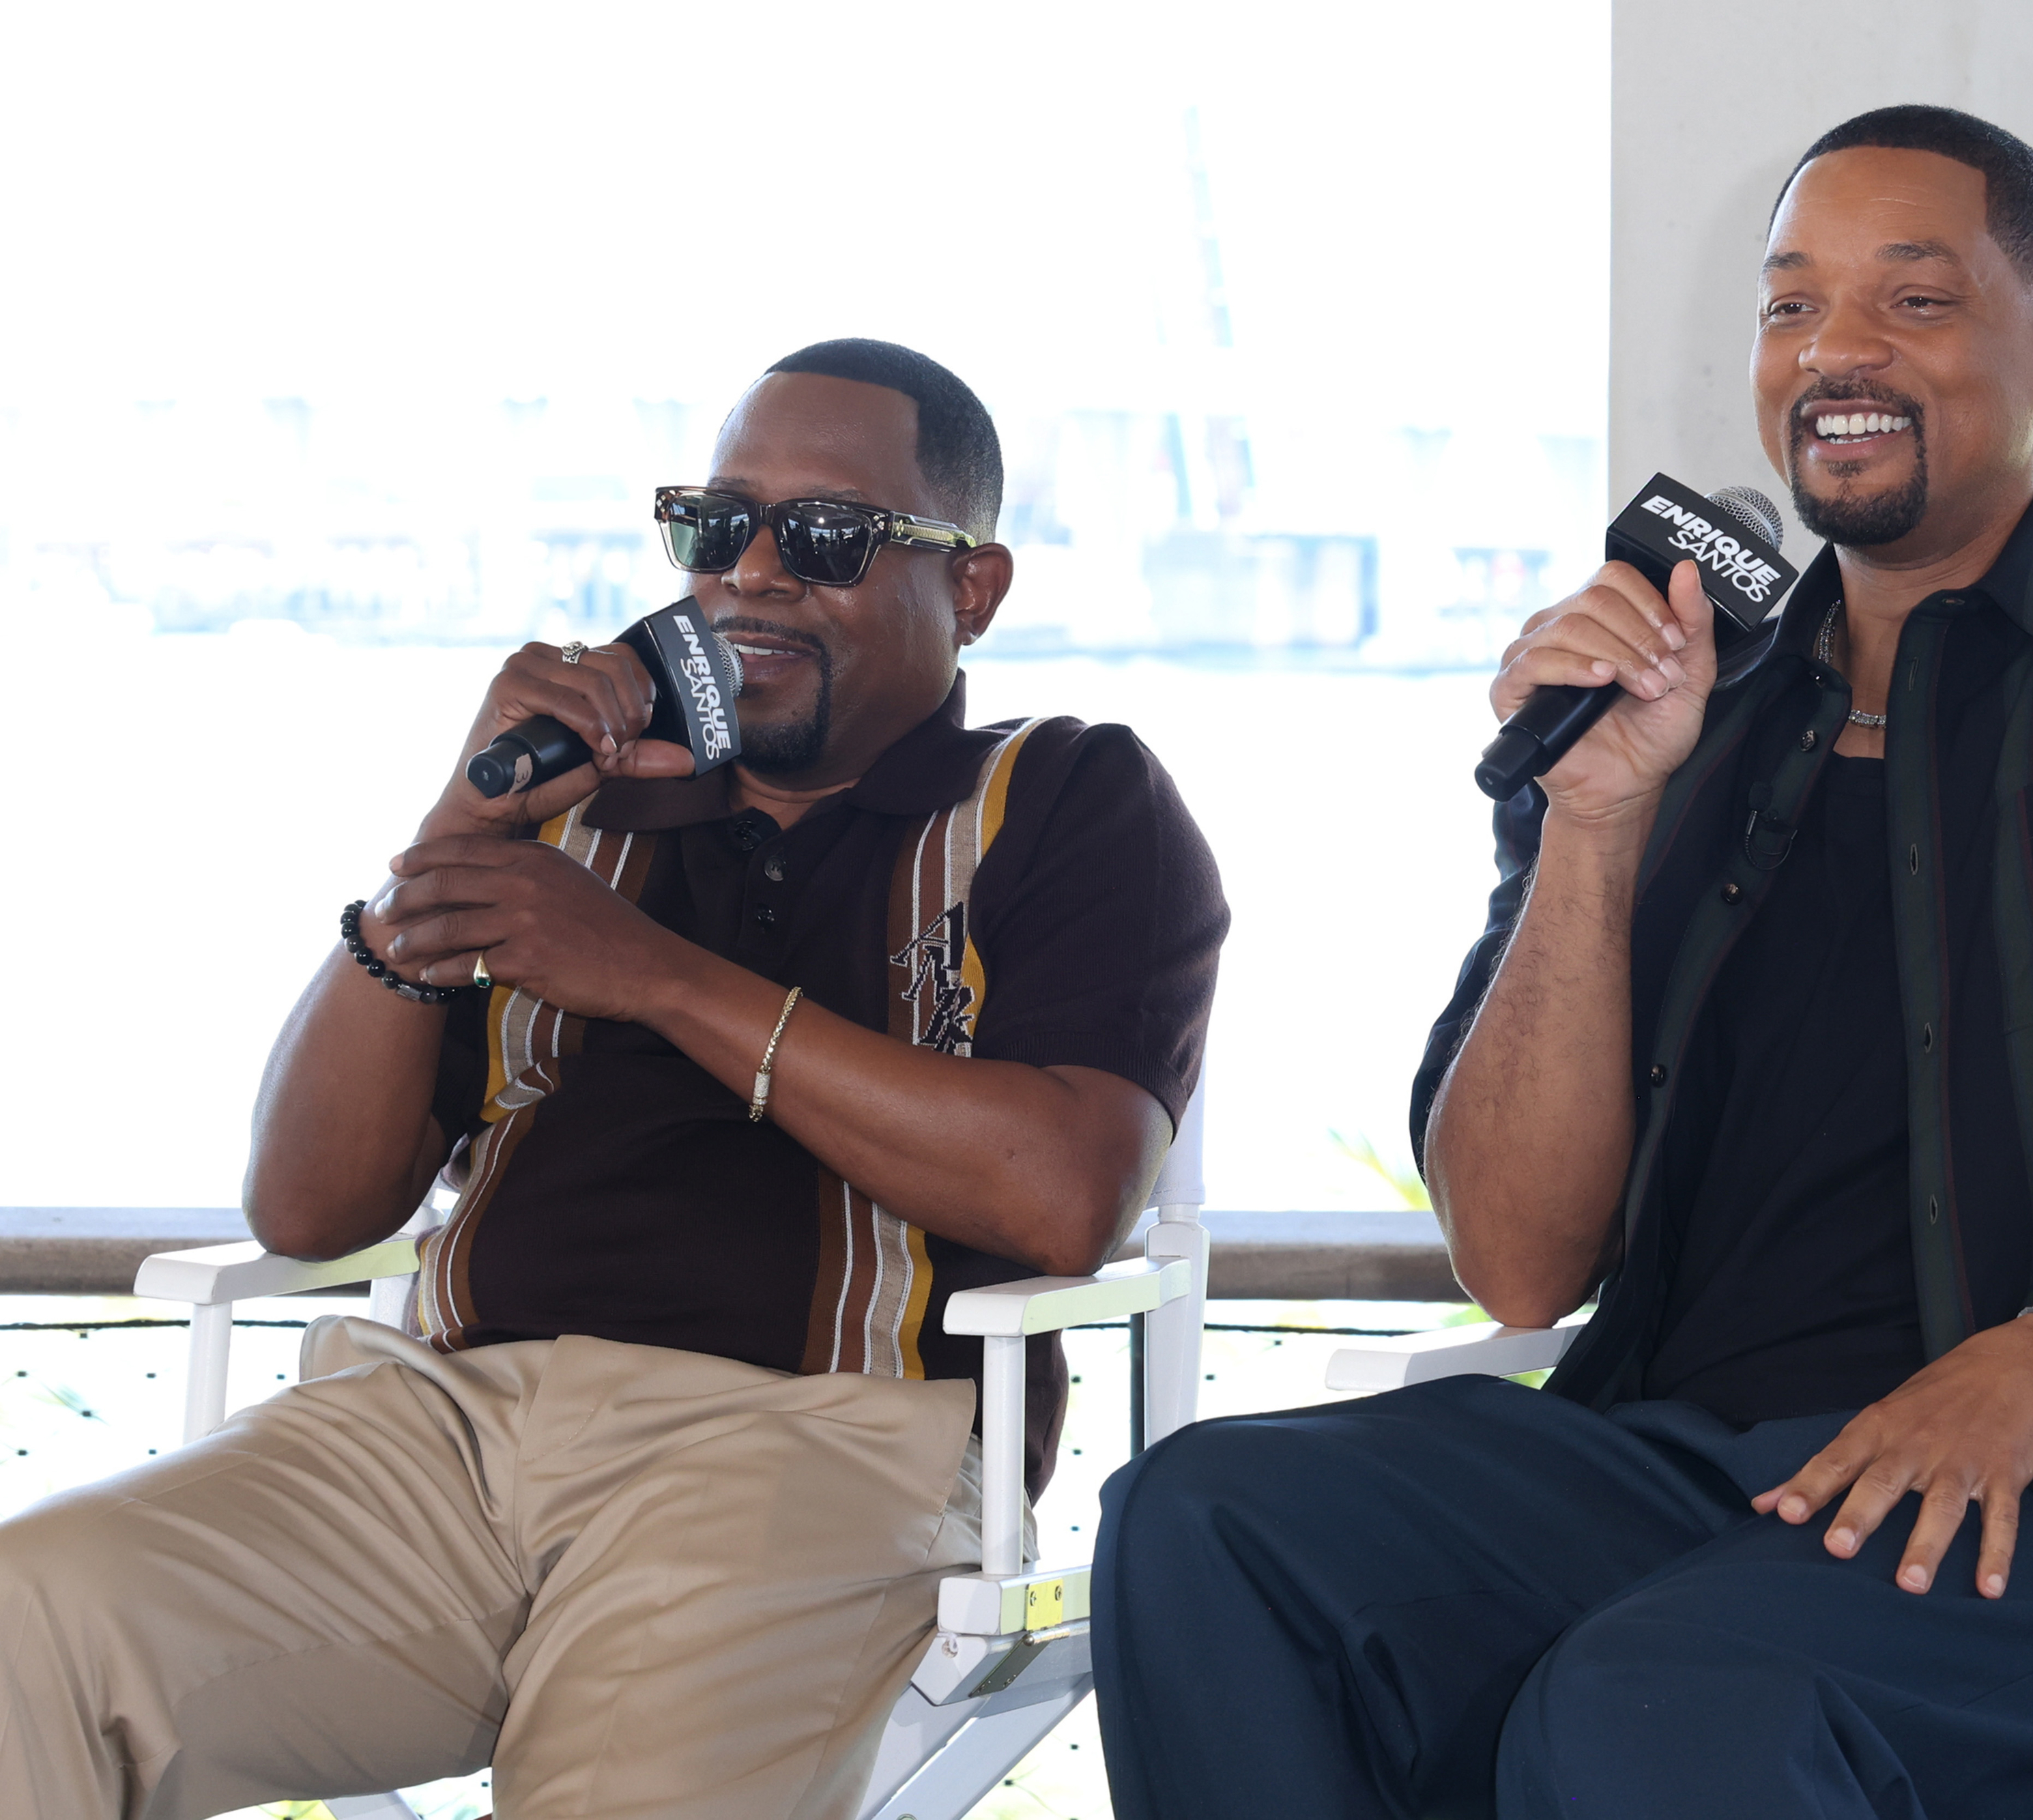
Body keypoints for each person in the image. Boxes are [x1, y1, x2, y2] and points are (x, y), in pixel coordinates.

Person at [1091, 106, 2033, 1820]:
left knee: (1660, 1697)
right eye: (1789, 309)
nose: (1833, 351)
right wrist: (1595, 824)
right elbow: (1523, 1262)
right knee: (1203, 1518)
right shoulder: (1663, 732)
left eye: (1911, 302)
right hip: (1687, 1471)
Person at [0, 338, 1226, 1820]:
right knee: (30, 1616)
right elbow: (314, 1206)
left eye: (828, 536)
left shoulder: (1064, 796)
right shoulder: (573, 818)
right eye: (718, 526)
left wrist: (650, 972)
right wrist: (465, 818)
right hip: (436, 1425)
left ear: (969, 587)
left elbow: (1061, 1194)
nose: (754, 574)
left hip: (812, 1437)